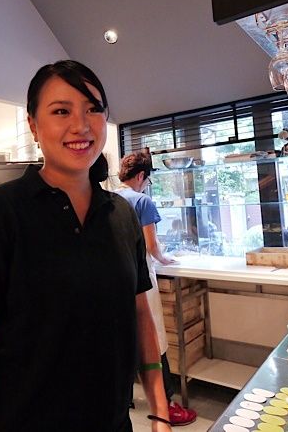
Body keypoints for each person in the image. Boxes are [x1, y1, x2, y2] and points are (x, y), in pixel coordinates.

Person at [0, 60, 171, 432]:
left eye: (93, 109)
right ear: (33, 125)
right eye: (61, 111)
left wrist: (160, 410)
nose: (81, 125)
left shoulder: (121, 214)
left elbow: (140, 316)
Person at [116, 152, 198, 427]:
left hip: (116, 279)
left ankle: (126, 397)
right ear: (141, 176)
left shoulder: (111, 198)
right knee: (155, 339)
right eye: (148, 180)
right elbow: (152, 247)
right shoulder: (142, 201)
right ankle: (167, 404)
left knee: (125, 335)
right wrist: (166, 259)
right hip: (141, 278)